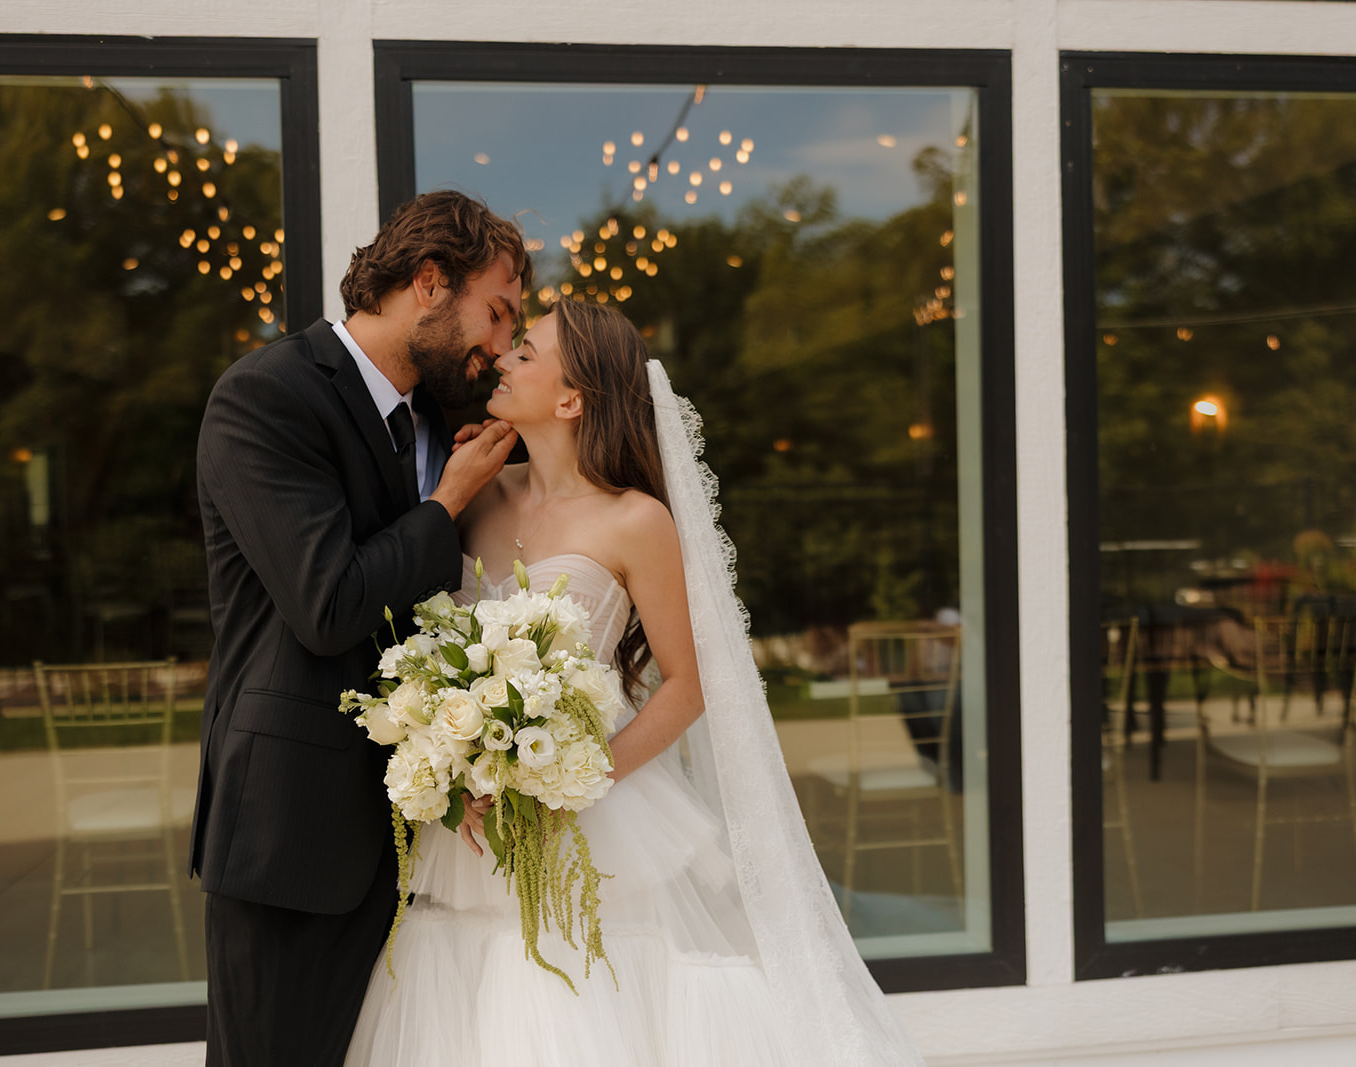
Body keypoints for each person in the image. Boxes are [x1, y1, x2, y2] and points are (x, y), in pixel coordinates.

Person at [344, 300, 925, 1066]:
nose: (503, 360)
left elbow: (688, 683)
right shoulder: (474, 494)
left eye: (527, 352)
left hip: (593, 811)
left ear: (571, 398)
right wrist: (456, 768)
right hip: (472, 829)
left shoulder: (636, 520)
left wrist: (571, 779)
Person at [189, 190, 533, 1066]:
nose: (498, 345)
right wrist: (445, 503)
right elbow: (330, 602)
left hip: (418, 854)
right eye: (495, 312)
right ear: (428, 283)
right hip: (292, 838)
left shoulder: (437, 423)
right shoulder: (265, 397)